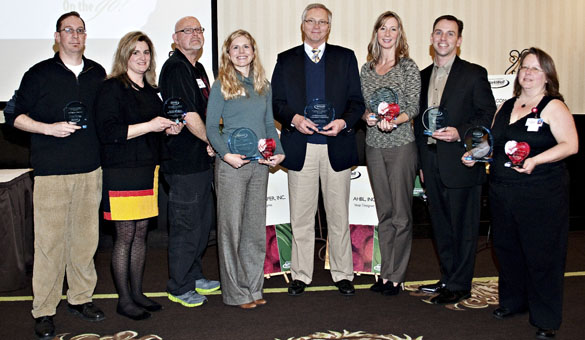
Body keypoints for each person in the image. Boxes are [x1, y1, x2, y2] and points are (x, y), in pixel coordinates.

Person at [3, 11, 106, 339]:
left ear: (85, 36)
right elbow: (13, 116)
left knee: (85, 241)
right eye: (68, 30)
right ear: (57, 36)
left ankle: (80, 298)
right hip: (51, 174)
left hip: (91, 170)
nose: (75, 36)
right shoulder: (39, 74)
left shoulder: (97, 73)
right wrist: (47, 129)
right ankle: (44, 309)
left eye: (80, 30)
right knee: (49, 245)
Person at [463, 48, 578, 339]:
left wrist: (536, 160)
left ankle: (546, 318)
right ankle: (514, 302)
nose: (527, 73)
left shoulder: (553, 106)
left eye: (535, 69)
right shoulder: (507, 106)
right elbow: (493, 143)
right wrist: (474, 155)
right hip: (503, 192)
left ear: (547, 76)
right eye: (524, 68)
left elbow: (571, 145)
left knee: (542, 255)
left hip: (541, 194)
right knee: (507, 250)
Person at [271, 3, 365, 297]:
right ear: (303, 25)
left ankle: (342, 274)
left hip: (336, 145)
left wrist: (343, 122)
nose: (315, 27)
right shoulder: (286, 60)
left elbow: (356, 102)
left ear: (329, 26)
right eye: (310, 21)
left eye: (321, 22)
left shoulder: (345, 57)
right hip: (301, 147)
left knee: (338, 215)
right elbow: (276, 102)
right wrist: (295, 119)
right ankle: (300, 274)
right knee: (301, 216)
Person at [95, 31, 179, 320]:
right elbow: (108, 133)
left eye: (146, 52)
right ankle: (124, 299)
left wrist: (168, 129)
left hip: (147, 170)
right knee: (125, 235)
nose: (142, 57)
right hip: (122, 171)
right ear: (124, 56)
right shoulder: (112, 88)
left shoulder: (151, 91)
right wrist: (150, 125)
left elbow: (153, 133)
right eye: (135, 52)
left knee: (142, 233)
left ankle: (138, 292)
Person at [413, 15, 496, 304]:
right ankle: (448, 278)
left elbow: (486, 115)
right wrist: (422, 165)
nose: (443, 38)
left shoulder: (474, 74)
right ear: (432, 38)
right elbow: (416, 124)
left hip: (462, 161)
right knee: (441, 226)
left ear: (459, 41)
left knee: (463, 227)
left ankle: (460, 285)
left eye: (450, 33)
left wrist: (461, 134)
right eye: (438, 32)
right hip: (431, 161)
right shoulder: (422, 76)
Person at [206, 29, 285, 309]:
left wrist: (278, 152)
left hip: (258, 166)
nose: (241, 52)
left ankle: (253, 287)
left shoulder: (264, 84)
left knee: (253, 230)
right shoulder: (221, 85)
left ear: (253, 51)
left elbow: (267, 126)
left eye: (246, 47)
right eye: (235, 48)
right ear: (228, 54)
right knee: (231, 231)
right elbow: (211, 128)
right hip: (231, 167)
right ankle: (236, 293)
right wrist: (226, 155)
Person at [158, 15, 220, 308]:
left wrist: (211, 142)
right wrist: (212, 142)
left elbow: (205, 109)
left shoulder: (199, 68)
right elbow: (188, 114)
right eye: (188, 30)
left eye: (199, 29)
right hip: (182, 163)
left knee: (200, 223)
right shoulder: (174, 69)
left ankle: (194, 276)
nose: (195, 34)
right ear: (176, 37)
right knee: (185, 225)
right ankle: (179, 286)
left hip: (200, 162)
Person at [360, 11, 420, 296]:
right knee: (384, 213)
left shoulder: (408, 67)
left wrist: (393, 121)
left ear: (399, 34)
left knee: (401, 214)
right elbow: (361, 106)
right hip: (373, 146)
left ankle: (397, 275)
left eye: (393, 28)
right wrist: (368, 117)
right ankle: (384, 274)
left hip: (401, 146)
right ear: (376, 33)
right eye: (383, 28)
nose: (387, 33)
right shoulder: (367, 69)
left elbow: (413, 106)